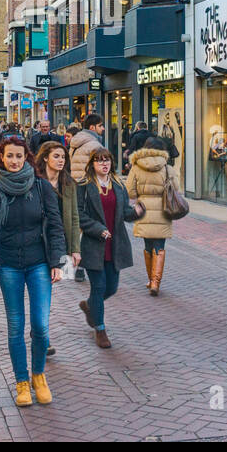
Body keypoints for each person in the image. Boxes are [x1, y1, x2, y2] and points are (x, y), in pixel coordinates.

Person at [0, 136, 67, 406]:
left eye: (19, 156)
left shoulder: (41, 186)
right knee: (15, 326)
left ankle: (39, 375)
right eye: (9, 156)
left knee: (41, 326)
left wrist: (57, 262)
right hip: (9, 263)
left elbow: (56, 225)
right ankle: (22, 382)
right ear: (1, 158)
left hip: (39, 263)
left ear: (27, 158)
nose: (14, 161)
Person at [77, 147, 141, 348]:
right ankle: (100, 329)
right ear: (92, 164)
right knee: (98, 286)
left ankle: (90, 306)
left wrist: (138, 211)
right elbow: (79, 214)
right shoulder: (84, 186)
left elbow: (124, 213)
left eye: (107, 160)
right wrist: (98, 229)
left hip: (115, 244)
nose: (104, 164)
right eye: (99, 161)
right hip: (94, 244)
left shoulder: (118, 186)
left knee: (111, 287)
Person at [36, 140, 83, 333]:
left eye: (63, 157)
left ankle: (40, 330)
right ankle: (41, 333)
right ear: (45, 158)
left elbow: (73, 217)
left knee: (51, 285)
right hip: (38, 240)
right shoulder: (36, 181)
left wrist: (75, 249)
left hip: (58, 240)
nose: (61, 160)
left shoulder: (69, 183)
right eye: (56, 156)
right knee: (41, 287)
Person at [125, 137, 180, 296]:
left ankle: (150, 280)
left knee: (148, 246)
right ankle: (156, 282)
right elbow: (176, 189)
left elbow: (130, 192)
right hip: (163, 211)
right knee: (160, 247)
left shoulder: (136, 167)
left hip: (143, 210)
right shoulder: (167, 168)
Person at [70, 113, 106, 183]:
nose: (103, 128)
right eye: (100, 126)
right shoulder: (95, 145)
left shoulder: (76, 141)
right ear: (92, 127)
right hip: (90, 183)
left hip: (75, 182)